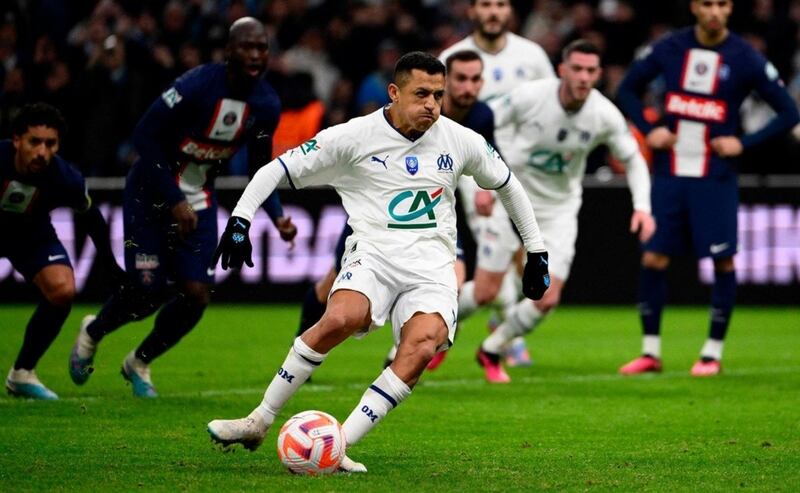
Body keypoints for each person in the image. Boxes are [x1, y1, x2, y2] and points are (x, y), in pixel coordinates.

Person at [206, 52, 550, 472]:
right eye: (421, 94)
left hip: (431, 267)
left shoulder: (460, 139)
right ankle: (258, 420)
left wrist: (536, 251)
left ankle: (337, 446)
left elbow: (509, 185)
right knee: (339, 318)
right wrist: (240, 219)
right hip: (373, 254)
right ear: (394, 92)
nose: (431, 105)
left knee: (422, 346)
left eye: (437, 95)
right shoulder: (354, 136)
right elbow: (274, 170)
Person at [68, 17, 297, 397]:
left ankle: (139, 361)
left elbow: (261, 169)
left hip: (199, 199)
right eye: (247, 46)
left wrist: (277, 216)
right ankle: (94, 331)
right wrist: (173, 199)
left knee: (197, 293)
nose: (256, 55)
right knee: (148, 289)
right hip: (150, 191)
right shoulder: (196, 85)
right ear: (229, 50)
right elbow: (144, 135)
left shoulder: (267, 104)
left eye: (262, 48)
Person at [616, 0, 799, 376]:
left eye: (721, 4)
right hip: (669, 173)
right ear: (694, 7)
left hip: (715, 177)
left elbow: (789, 112)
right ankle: (650, 352)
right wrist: (649, 131)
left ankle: (712, 354)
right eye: (707, 4)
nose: (714, 11)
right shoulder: (671, 47)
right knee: (653, 258)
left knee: (723, 261)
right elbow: (627, 89)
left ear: (730, 9)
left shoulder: (744, 56)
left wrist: (743, 143)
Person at [291, 49, 495, 374]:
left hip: (436, 213)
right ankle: (303, 347)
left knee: (454, 280)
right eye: (460, 79)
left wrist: (486, 191)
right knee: (329, 285)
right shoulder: (417, 107)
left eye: (474, 79)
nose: (466, 87)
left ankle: (410, 350)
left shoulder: (481, 117)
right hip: (379, 216)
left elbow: (490, 163)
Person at [474, 40, 655, 383]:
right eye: (577, 69)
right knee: (485, 291)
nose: (584, 77)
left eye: (591, 71)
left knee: (546, 298)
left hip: (558, 211)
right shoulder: (531, 96)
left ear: (598, 75)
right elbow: (483, 122)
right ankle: (419, 343)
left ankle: (492, 348)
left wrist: (643, 207)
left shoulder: (603, 114)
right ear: (562, 70)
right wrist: (483, 180)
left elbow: (633, 159)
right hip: (512, 199)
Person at [440, 0, 556, 367]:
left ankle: (488, 323)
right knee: (497, 256)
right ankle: (505, 336)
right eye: (486, 4)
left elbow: (551, 104)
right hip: (476, 172)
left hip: (525, 170)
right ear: (472, 10)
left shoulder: (532, 56)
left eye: (501, 4)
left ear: (510, 11)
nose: (494, 11)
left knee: (526, 259)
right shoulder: (452, 57)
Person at [1, 103, 122, 400]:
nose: (42, 152)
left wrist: (111, 266)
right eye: (34, 142)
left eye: (50, 144)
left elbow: (92, 218)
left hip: (30, 233)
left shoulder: (65, 178)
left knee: (62, 290)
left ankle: (22, 373)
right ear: (16, 140)